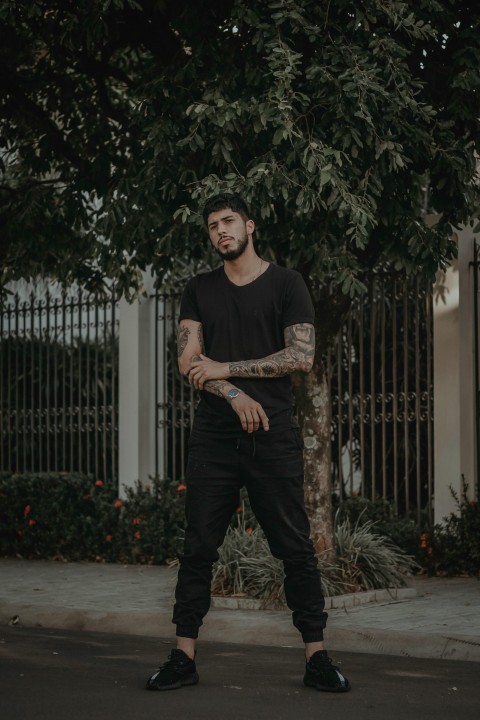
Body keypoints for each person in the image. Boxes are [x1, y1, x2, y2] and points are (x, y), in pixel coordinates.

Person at [146, 193, 350, 693]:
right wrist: (233, 392)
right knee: (198, 548)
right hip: (215, 438)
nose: (221, 231)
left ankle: (317, 657)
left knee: (295, 548)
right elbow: (188, 363)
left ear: (250, 226)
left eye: (229, 221)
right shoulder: (199, 290)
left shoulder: (287, 284)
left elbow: (300, 357)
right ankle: (182, 656)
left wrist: (228, 368)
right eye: (213, 225)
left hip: (273, 434)